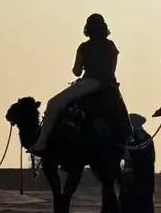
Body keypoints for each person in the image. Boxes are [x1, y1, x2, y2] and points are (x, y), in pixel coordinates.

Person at [32, 14, 119, 154]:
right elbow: (113, 68)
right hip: (110, 85)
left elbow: (77, 72)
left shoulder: (84, 47)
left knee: (53, 104)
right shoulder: (111, 46)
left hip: (90, 82)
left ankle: (41, 143)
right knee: (122, 116)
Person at [120, 113, 156, 213]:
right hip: (139, 174)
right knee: (129, 201)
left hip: (138, 174)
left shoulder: (137, 138)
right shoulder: (144, 137)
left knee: (136, 202)